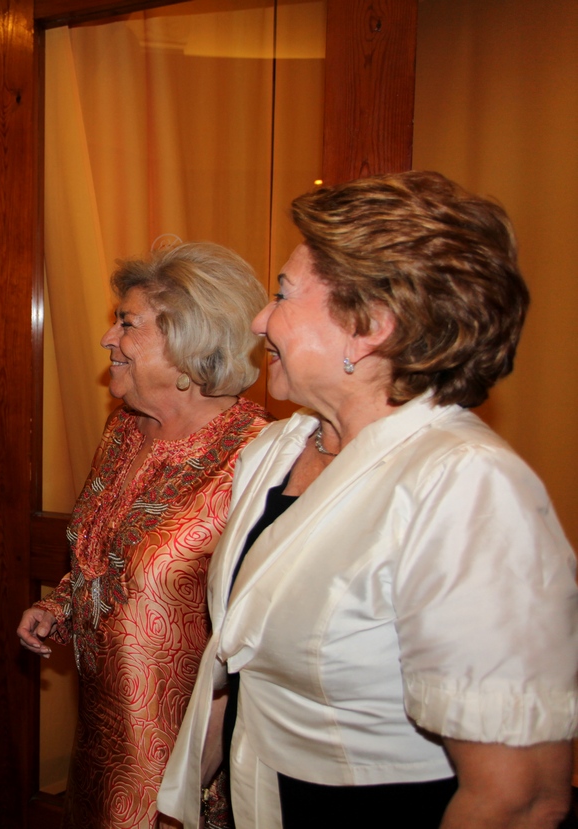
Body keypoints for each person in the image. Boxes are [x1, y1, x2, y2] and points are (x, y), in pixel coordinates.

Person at [157, 171, 578, 829]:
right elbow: (244, 669)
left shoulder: (466, 487)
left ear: (369, 329)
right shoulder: (276, 450)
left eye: (283, 294)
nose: (261, 319)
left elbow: (520, 796)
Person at [15, 242, 271, 829]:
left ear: (190, 343)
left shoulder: (259, 457)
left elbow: (266, 634)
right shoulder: (124, 430)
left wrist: (195, 778)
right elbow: (108, 554)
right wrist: (61, 601)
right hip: (101, 755)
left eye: (127, 323)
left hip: (189, 778)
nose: (109, 338)